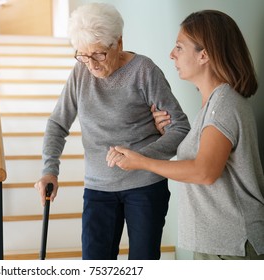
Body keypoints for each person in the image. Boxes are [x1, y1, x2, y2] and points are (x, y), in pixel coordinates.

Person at [34, 3, 190, 260]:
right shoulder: (80, 73)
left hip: (145, 187)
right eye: (83, 55)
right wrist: (49, 170)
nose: (91, 65)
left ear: (118, 43)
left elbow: (180, 127)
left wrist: (141, 158)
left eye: (98, 54)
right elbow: (57, 124)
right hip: (97, 188)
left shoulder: (143, 71)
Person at [107, 10, 264, 260]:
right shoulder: (214, 104)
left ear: (205, 55)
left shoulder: (223, 104)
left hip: (233, 246)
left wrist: (141, 162)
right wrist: (165, 132)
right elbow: (204, 154)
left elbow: (204, 171)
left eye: (179, 47)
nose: (172, 54)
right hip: (220, 245)